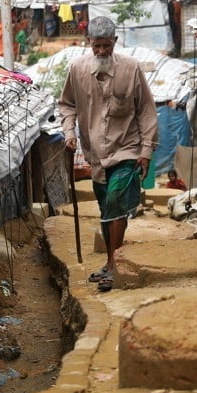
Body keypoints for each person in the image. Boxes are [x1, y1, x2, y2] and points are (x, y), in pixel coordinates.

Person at [58, 16, 159, 292]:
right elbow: (66, 105)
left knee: (115, 203)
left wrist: (146, 151)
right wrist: (69, 134)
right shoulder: (77, 69)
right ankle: (110, 261)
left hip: (127, 149)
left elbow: (147, 111)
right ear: (88, 43)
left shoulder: (131, 68)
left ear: (115, 42)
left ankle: (115, 267)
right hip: (96, 154)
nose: (102, 51)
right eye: (96, 46)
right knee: (106, 210)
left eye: (106, 45)